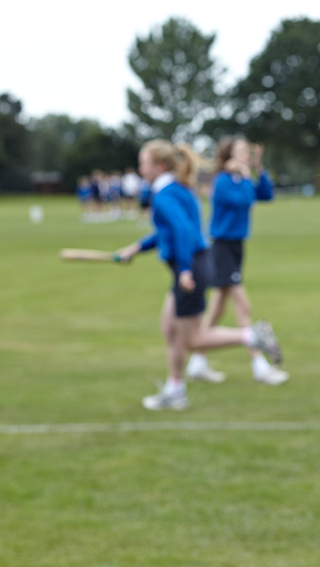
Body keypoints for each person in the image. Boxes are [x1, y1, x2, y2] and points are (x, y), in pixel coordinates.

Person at [117, 139, 283, 410]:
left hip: (190, 269)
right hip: (195, 264)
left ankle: (251, 336)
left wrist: (183, 270)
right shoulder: (177, 189)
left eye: (142, 163)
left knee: (193, 338)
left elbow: (183, 231)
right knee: (170, 329)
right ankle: (175, 388)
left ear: (159, 166)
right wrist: (137, 247)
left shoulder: (166, 194)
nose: (140, 169)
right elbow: (167, 232)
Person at [199, 136, 288, 385]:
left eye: (248, 151)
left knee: (217, 308)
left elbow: (267, 194)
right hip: (223, 246)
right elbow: (245, 201)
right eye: (241, 151)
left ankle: (197, 360)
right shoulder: (223, 181)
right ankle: (259, 366)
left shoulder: (240, 178)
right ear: (228, 156)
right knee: (243, 306)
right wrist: (247, 176)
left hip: (235, 246)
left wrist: (259, 168)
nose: (246, 155)